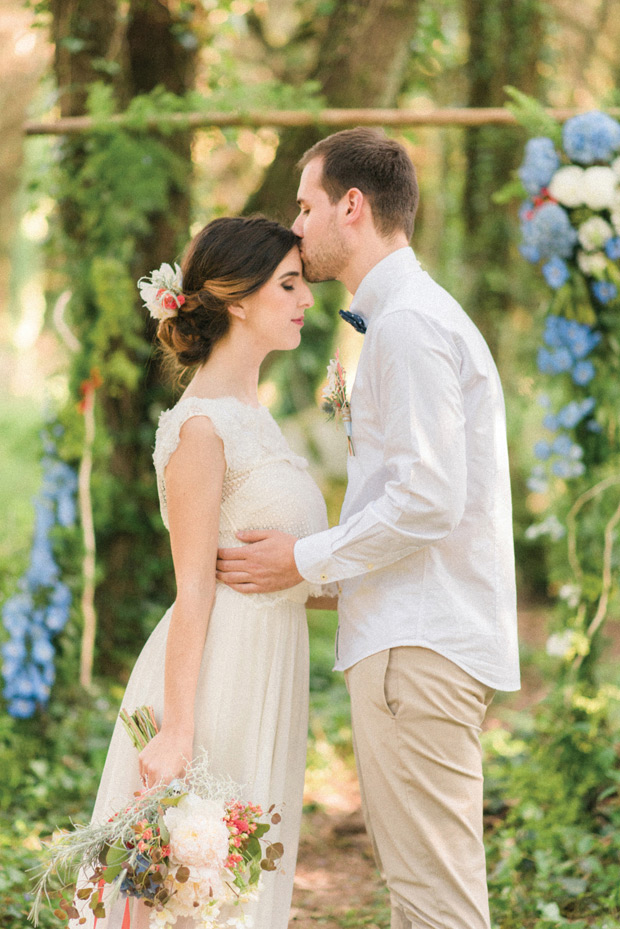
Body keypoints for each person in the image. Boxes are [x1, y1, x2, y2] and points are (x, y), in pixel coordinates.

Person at [216, 128, 521, 929]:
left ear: (353, 206)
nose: (298, 222)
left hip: (416, 651)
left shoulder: (410, 326)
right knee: (424, 895)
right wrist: (326, 583)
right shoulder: (400, 320)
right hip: (413, 638)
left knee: (436, 905)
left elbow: (427, 500)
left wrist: (304, 560)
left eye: (307, 204)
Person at [77, 216, 335, 929]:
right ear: (237, 299)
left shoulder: (257, 414)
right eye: (288, 284)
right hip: (218, 674)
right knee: (201, 889)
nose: (306, 300)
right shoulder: (201, 428)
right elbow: (193, 587)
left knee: (246, 884)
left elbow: (284, 566)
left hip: (268, 668)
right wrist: (179, 729)